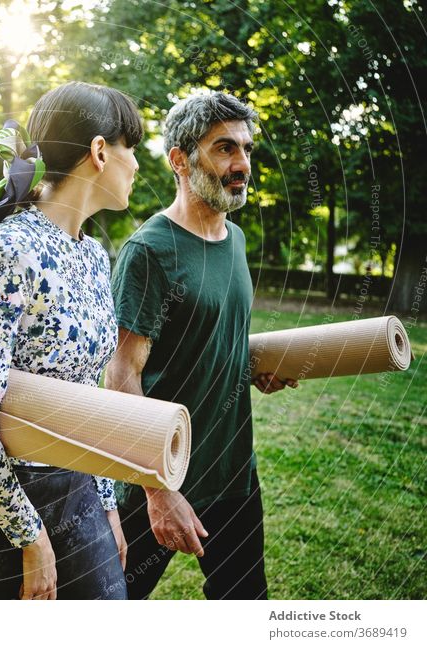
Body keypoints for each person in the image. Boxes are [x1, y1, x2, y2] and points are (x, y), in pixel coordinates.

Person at [0, 81, 143, 600]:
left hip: (76, 493)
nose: (136, 165)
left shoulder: (95, 257)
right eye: (130, 149)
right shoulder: (9, 247)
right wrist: (31, 538)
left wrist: (108, 505)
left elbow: (87, 398)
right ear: (99, 152)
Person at [106, 90, 297, 600]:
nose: (243, 164)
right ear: (179, 159)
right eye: (225, 149)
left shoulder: (234, 239)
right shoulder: (149, 251)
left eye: (247, 149)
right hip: (160, 475)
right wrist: (158, 490)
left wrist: (254, 366)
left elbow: (213, 335)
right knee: (108, 605)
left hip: (234, 473)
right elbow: (122, 375)